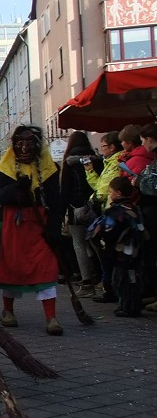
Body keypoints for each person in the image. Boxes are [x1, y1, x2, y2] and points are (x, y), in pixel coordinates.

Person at [0, 126, 64, 336]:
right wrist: (16, 191)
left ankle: (51, 317)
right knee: (12, 268)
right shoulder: (5, 168)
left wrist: (54, 229)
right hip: (13, 227)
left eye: (29, 143)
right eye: (20, 143)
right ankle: (8, 311)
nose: (24, 148)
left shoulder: (49, 169)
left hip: (39, 226)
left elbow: (55, 200)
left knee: (46, 267)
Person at [88, 176, 147, 317]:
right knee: (133, 278)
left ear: (118, 193)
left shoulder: (115, 211)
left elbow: (108, 231)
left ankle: (126, 306)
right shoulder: (134, 207)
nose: (110, 195)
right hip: (135, 250)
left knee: (121, 279)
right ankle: (133, 305)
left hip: (119, 252)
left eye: (110, 192)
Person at [60, 131, 101, 298]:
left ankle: (86, 282)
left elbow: (65, 189)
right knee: (96, 242)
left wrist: (62, 211)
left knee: (79, 245)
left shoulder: (69, 162)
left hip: (75, 207)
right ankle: (101, 275)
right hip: (95, 206)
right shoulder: (97, 159)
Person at [84, 131, 123, 303]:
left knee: (110, 254)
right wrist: (90, 172)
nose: (101, 150)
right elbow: (99, 185)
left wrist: (95, 199)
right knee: (105, 252)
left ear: (112, 147)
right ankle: (109, 286)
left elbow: (105, 189)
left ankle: (112, 289)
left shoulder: (117, 163)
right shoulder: (109, 163)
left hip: (113, 213)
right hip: (107, 211)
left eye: (103, 146)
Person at [136, 124, 157, 310]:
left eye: (143, 141)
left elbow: (152, 187)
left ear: (150, 139)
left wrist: (139, 180)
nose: (143, 145)